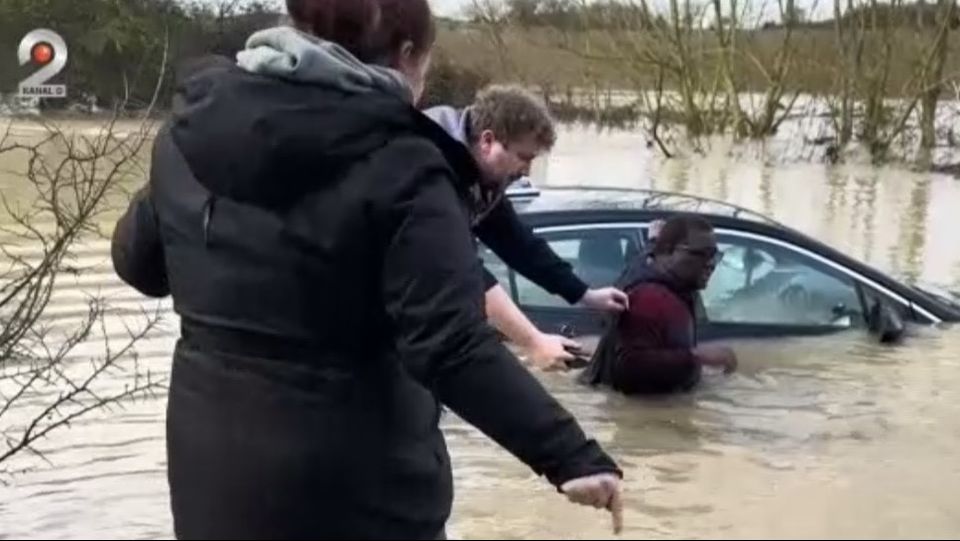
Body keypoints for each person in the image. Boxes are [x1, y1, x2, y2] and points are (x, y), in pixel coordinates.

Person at [109, 0, 624, 538]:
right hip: (360, 491)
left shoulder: (189, 133)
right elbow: (450, 343)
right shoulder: (406, 164)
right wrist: (569, 454)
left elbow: (137, 264)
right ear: (406, 56)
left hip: (213, 481)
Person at [425, 87, 629, 370]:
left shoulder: (481, 175)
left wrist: (585, 294)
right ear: (488, 141)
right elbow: (460, 267)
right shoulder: (429, 168)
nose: (527, 172)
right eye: (524, 157)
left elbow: (517, 244)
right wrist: (533, 341)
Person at [579, 215, 737, 395]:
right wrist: (698, 356)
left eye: (714, 255)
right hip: (642, 417)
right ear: (669, 251)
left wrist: (654, 240)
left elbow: (651, 254)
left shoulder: (653, 269)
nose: (711, 264)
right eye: (701, 254)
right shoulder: (650, 299)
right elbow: (630, 367)